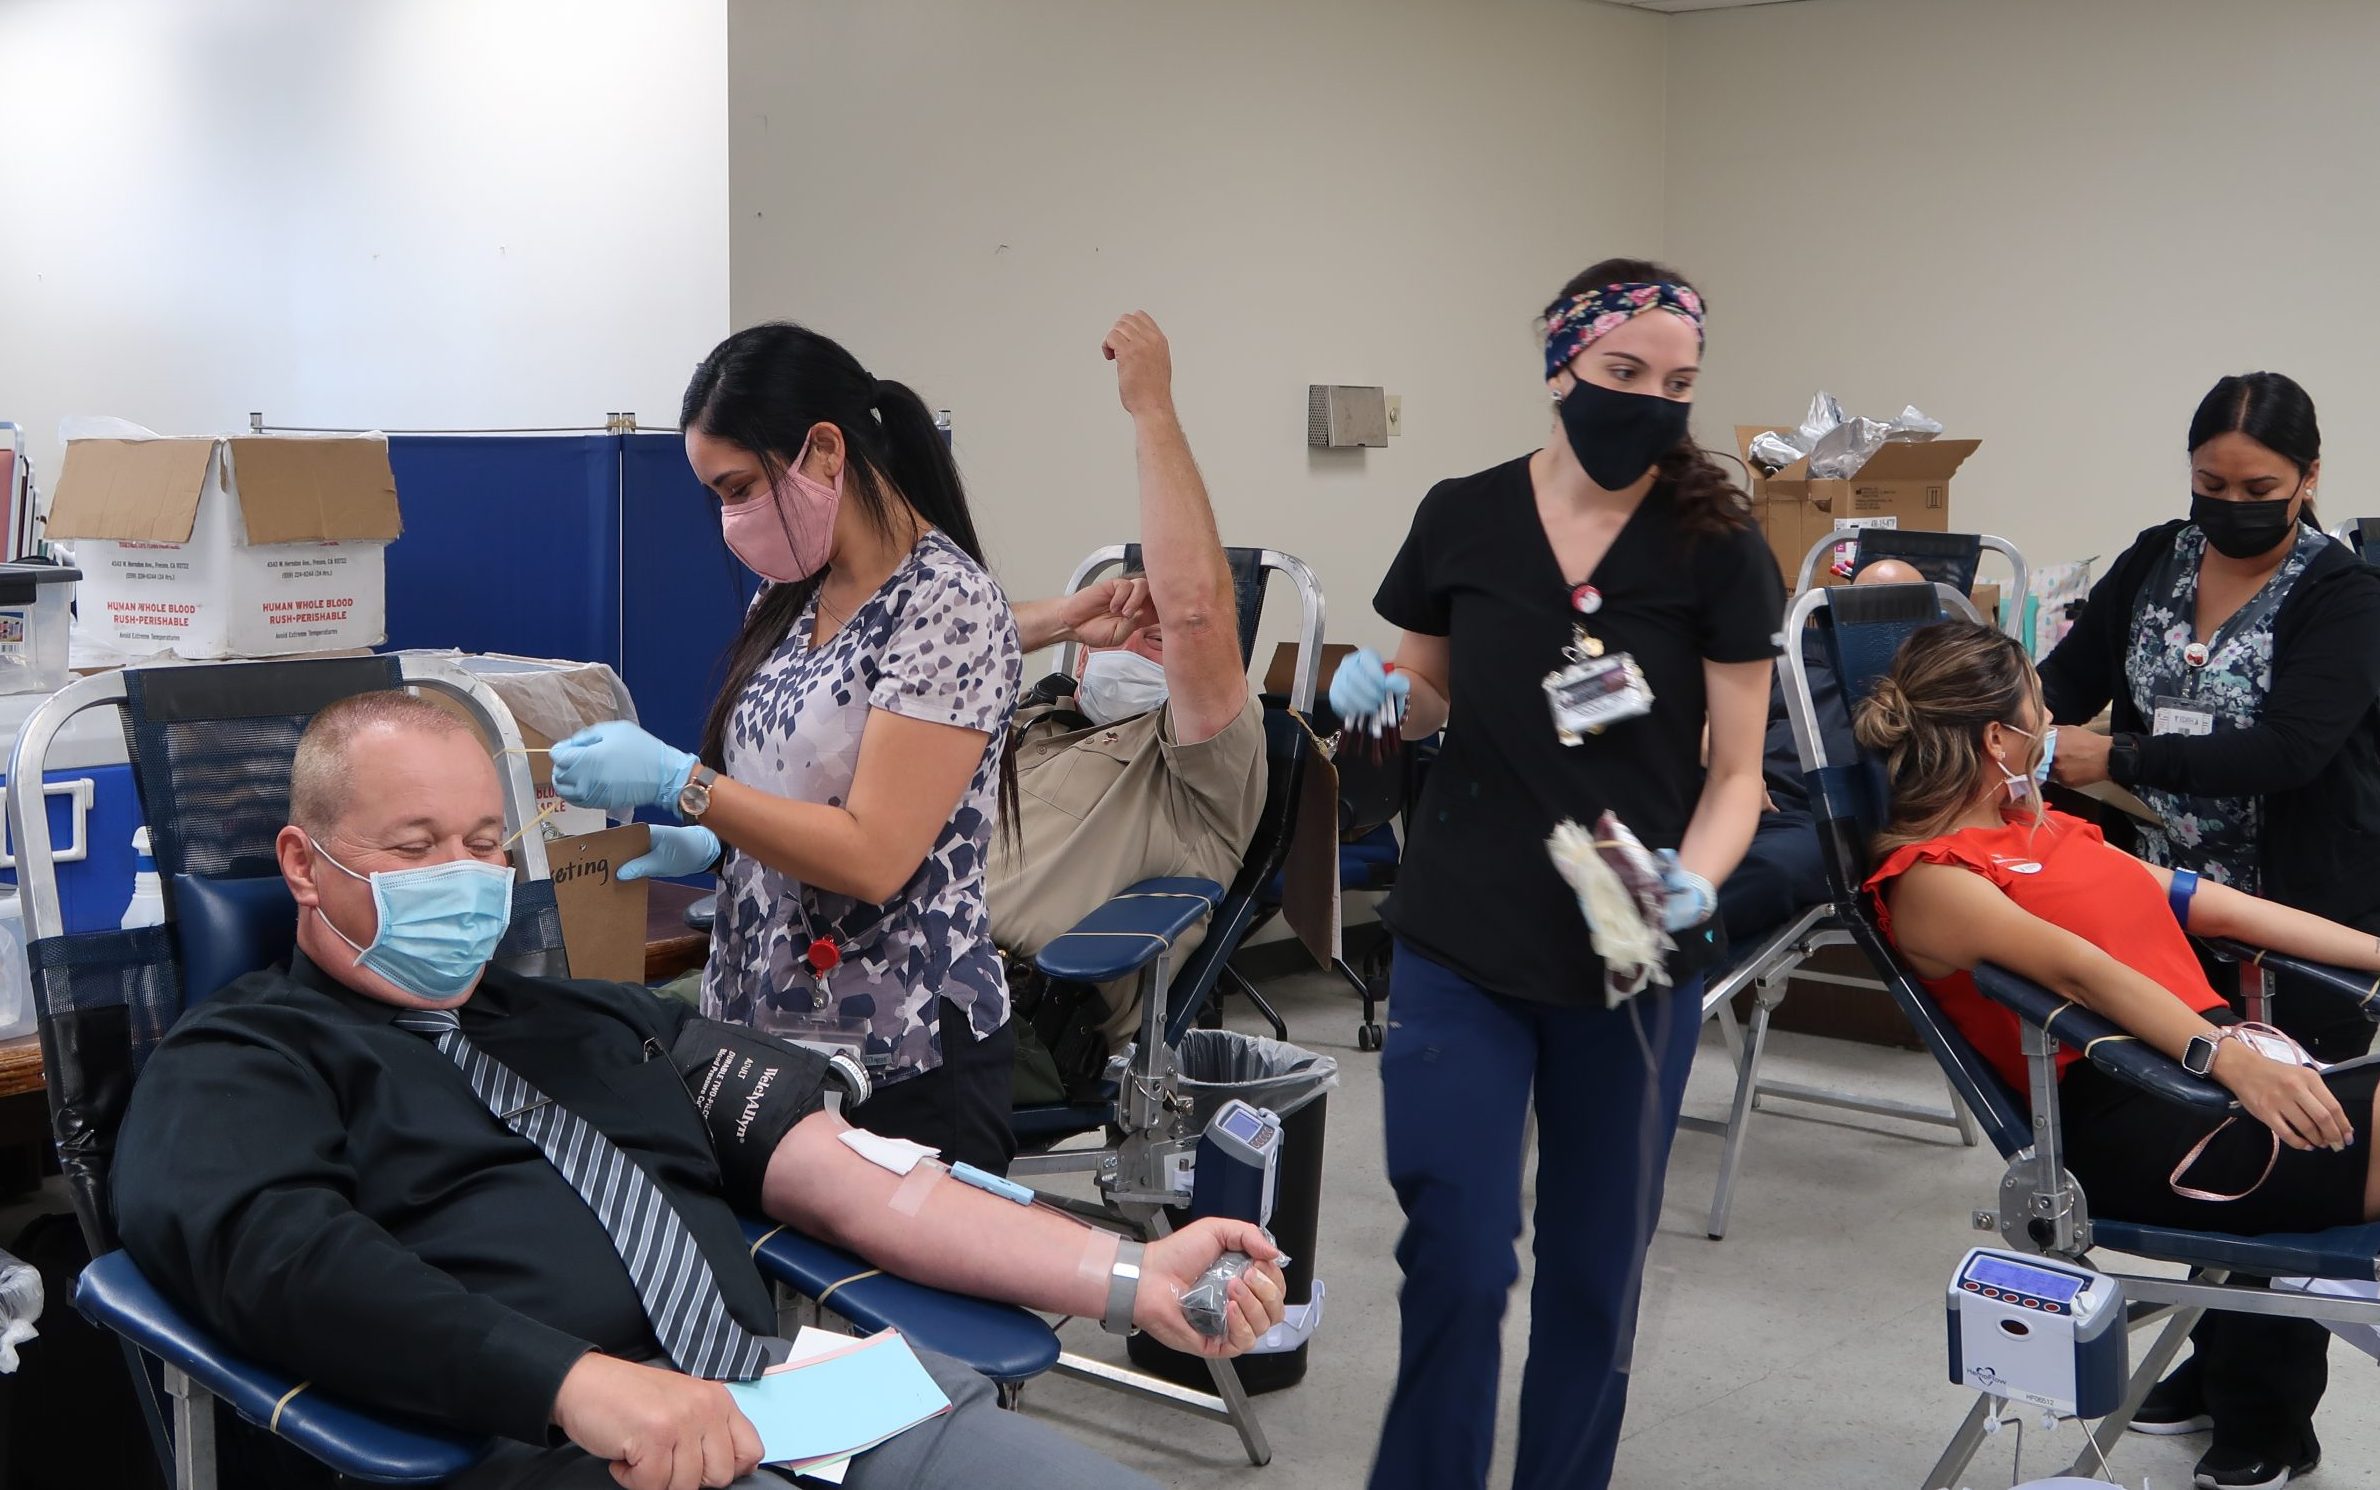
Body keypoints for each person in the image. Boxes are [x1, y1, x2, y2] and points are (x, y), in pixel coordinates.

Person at [112, 693, 1287, 1490]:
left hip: (792, 1399)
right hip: (553, 1451)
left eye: (483, 840)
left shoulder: (598, 1017)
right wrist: (576, 1385)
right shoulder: (239, 1063)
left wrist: (1131, 1275)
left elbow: (850, 1183)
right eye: (415, 846)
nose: (464, 878)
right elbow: (287, 1258)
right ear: (302, 865)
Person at [1330, 258, 1783, 1490]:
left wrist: (1693, 881)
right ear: (1559, 367)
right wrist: (1386, 698)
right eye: (1622, 373)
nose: (1649, 403)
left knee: (1594, 1275)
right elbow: (1424, 697)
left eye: (1678, 383)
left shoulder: (1714, 543)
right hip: (1463, 940)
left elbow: (1739, 772)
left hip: (1632, 956)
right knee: (1461, 1255)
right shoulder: (1463, 515)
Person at [1865, 618, 2380, 1490]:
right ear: (2001, 739)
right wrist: (2230, 1059)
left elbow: (2216, 906)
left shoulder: (2047, 831)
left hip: (2214, 1082)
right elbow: (2086, 973)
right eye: (2042, 708)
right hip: (2146, 1118)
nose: (2054, 726)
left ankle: (2279, 1364)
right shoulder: (1934, 880)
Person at [548, 324, 1025, 1175]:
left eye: (737, 487)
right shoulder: (791, 592)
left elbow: (876, 855)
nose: (731, 519)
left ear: (825, 450)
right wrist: (717, 846)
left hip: (898, 1042)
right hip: (770, 1022)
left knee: (889, 1300)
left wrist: (684, 785)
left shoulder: (945, 604)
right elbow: (792, 786)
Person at [2037, 371, 2380, 1486]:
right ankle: (2208, 1359)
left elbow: (2289, 748)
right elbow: (2066, 681)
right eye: (2208, 482)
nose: (2228, 502)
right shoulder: (2155, 558)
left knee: (2296, 1144)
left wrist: (2116, 755)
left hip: (2301, 908)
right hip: (2167, 898)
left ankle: (2271, 1417)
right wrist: (2014, 721)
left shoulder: (2343, 595)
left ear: (2308, 480)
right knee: (2212, 1139)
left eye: (2257, 486)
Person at [991, 312, 1266, 1093]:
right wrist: (1068, 615)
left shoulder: (1200, 774)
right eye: (1131, 629)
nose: (1154, 637)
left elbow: (1195, 614)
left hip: (998, 1023)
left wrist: (1151, 405)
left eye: (1168, 646)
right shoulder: (1032, 721)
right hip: (876, 968)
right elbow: (921, 648)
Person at [1718, 557, 1924, 946]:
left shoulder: (1929, 687)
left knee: (1768, 872)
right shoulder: (1795, 660)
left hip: (1822, 823)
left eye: (1897, 606)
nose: (1875, 619)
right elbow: (1716, 716)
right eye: (1863, 602)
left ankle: (1662, 944)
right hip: (1739, 795)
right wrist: (1736, 771)